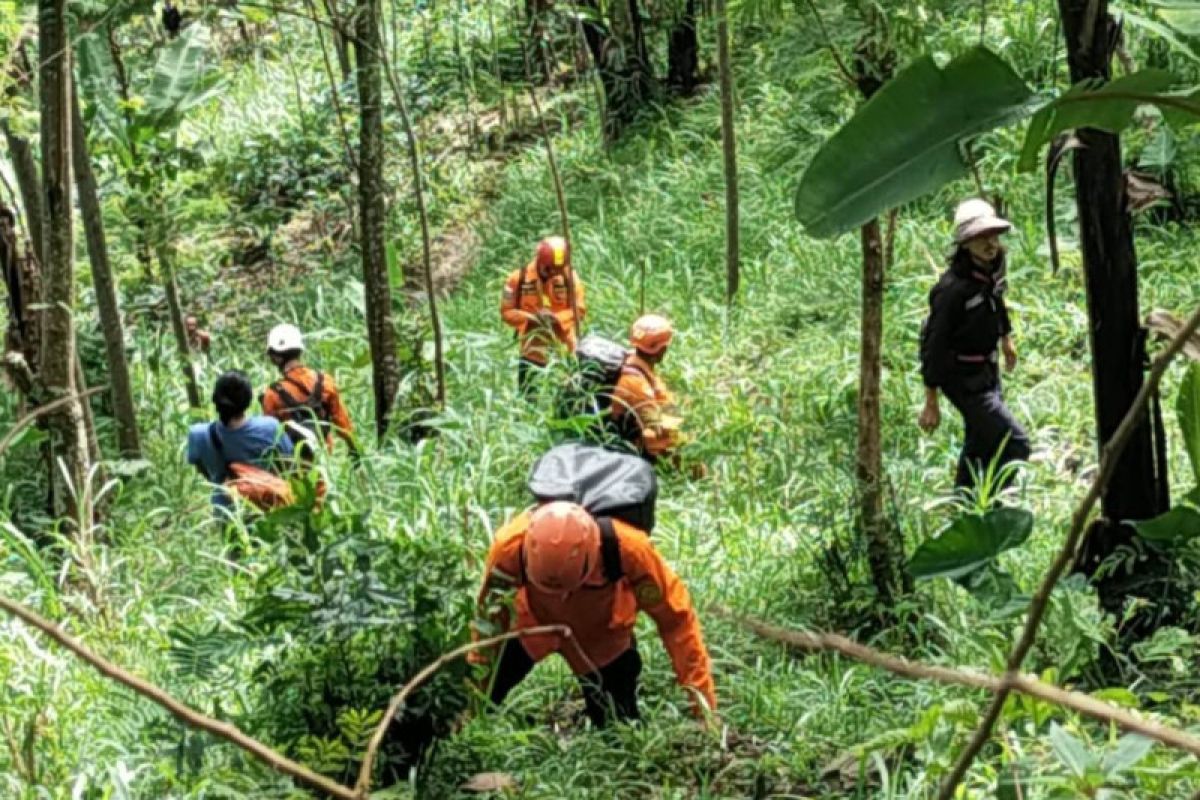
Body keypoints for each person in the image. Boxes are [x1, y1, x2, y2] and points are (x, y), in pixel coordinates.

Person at [470, 501, 716, 727]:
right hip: (529, 624)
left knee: (617, 730)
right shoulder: (508, 548)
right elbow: (487, 626)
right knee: (475, 702)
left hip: (602, 638)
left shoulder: (630, 550)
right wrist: (471, 699)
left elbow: (676, 621)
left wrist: (703, 709)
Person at [918, 198, 1031, 490]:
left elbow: (997, 301)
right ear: (965, 244)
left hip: (988, 370)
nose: (989, 244)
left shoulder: (991, 270)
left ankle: (964, 503)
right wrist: (931, 400)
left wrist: (1006, 338)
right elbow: (933, 342)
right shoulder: (952, 290)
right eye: (980, 238)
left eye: (992, 235)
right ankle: (993, 502)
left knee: (980, 441)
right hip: (964, 380)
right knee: (1016, 444)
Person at [187, 370, 294, 512]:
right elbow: (290, 464)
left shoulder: (198, 434)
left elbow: (203, 469)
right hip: (268, 512)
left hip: (226, 513)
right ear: (248, 400)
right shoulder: (271, 427)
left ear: (215, 399)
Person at [500, 235, 587, 394]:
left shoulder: (570, 279)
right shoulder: (517, 279)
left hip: (564, 351)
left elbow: (580, 310)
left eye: (558, 269)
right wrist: (532, 318)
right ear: (539, 261)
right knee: (528, 400)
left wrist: (556, 318)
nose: (553, 273)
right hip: (531, 354)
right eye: (549, 269)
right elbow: (506, 312)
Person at [261, 323, 357, 459]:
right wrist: (354, 449)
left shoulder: (272, 394)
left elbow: (270, 435)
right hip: (323, 460)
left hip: (291, 466)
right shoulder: (325, 381)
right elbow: (343, 423)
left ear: (276, 358)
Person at [610, 314, 684, 462]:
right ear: (661, 350)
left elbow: (664, 397)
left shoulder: (636, 363)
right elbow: (655, 428)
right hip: (630, 448)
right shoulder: (636, 383)